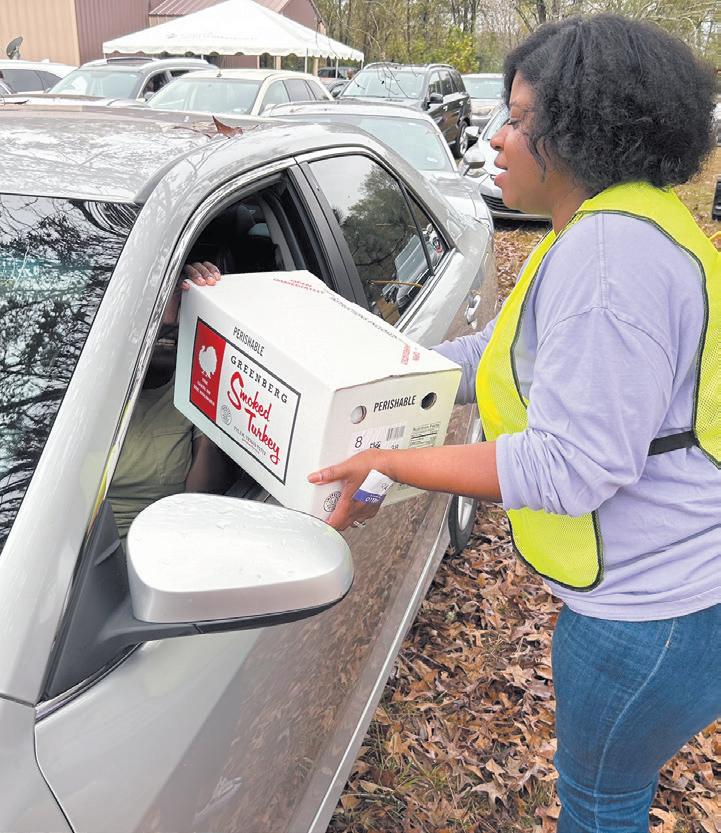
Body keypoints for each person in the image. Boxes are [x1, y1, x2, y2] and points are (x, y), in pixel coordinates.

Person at [308, 15, 721, 831]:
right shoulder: (621, 224)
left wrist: (389, 460)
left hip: (655, 612)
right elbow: (497, 354)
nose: (494, 137)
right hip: (682, 593)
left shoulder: (607, 259)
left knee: (600, 805)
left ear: (581, 131)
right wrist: (371, 367)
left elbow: (571, 465)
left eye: (520, 119)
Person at [108, 261, 232, 545]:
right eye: (157, 297)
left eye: (181, 294)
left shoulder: (196, 385)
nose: (170, 319)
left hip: (158, 549)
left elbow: (198, 504)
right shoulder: (86, 385)